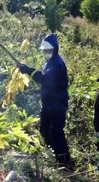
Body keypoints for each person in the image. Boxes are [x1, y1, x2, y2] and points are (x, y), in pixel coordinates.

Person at [18, 33, 71, 168]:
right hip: (49, 103)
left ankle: (64, 162)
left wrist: (29, 71)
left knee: (56, 131)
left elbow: (46, 80)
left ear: (54, 49)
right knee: (44, 129)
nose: (46, 52)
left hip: (57, 103)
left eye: (48, 50)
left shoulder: (56, 63)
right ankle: (52, 154)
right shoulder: (49, 62)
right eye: (44, 50)